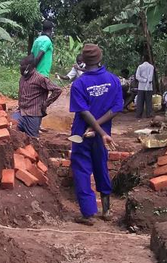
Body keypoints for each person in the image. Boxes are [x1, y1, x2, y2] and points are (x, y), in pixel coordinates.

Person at [69, 44, 124, 225]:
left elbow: (84, 112)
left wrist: (93, 128)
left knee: (82, 170)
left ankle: (88, 214)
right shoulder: (113, 80)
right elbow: (116, 108)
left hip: (82, 133)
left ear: (83, 61)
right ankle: (107, 210)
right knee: (101, 166)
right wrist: (101, 130)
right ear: (100, 59)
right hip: (103, 135)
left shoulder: (79, 84)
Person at [16, 56, 63, 137]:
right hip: (21, 112)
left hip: (33, 115)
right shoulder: (22, 78)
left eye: (22, 66)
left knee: (32, 139)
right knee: (11, 128)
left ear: (29, 66)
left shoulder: (40, 78)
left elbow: (57, 90)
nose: (20, 68)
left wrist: (46, 103)